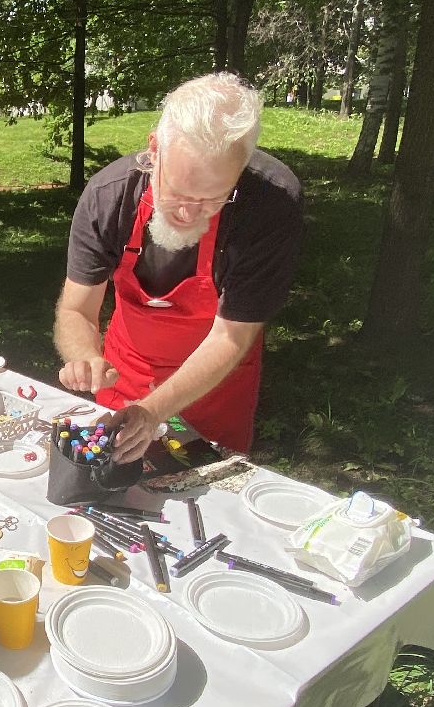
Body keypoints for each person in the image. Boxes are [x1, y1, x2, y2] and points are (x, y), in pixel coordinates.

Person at [54, 72, 304, 460]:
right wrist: (83, 354)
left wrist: (154, 411)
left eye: (213, 199)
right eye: (178, 192)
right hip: (125, 373)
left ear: (240, 173)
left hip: (215, 388)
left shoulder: (270, 205)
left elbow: (230, 338)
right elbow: (76, 308)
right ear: (154, 151)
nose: (188, 213)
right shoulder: (109, 197)